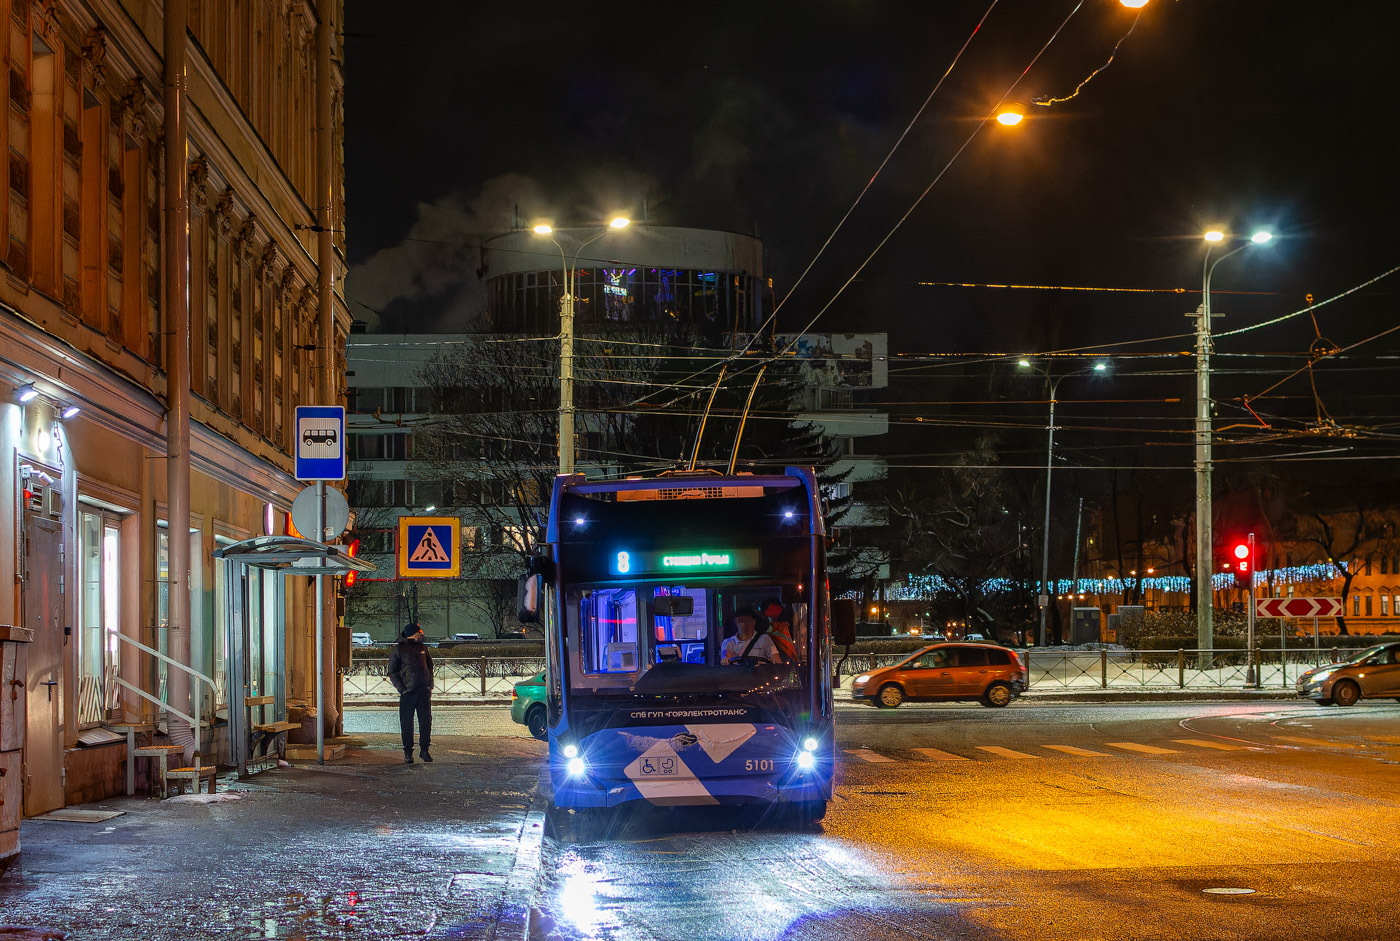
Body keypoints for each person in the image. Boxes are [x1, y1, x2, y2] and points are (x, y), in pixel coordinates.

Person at [388, 622, 434, 763]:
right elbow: (392, 671)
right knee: (407, 723)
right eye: (417, 633)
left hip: (423, 691)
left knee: (426, 722)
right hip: (408, 692)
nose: (420, 635)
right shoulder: (399, 649)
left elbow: (430, 665)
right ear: (410, 634)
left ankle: (424, 750)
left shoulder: (422, 647)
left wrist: (429, 684)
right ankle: (408, 752)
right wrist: (402, 689)